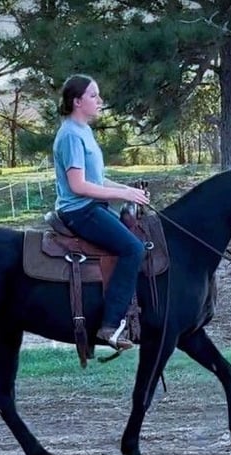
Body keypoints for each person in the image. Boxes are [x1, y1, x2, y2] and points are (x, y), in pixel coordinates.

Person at [52, 74, 150, 350]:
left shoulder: (83, 130)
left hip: (92, 206)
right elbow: (78, 185)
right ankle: (110, 324)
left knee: (135, 236)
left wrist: (130, 191)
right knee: (133, 248)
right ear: (77, 101)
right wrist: (122, 194)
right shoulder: (70, 135)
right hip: (79, 210)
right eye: (94, 96)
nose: (100, 101)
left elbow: (97, 179)